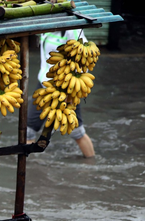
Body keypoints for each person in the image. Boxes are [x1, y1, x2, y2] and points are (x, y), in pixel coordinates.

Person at [27, 30, 95, 158]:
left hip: (65, 88)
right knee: (28, 130)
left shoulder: (72, 31)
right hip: (44, 84)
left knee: (77, 132)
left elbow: (84, 59)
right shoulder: (46, 27)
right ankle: (29, 166)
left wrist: (72, 89)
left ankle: (91, 162)